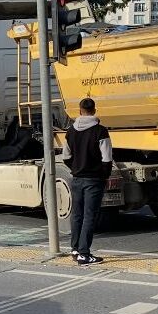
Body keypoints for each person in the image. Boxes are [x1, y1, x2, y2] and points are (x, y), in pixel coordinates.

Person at [63, 98, 112, 266]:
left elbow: (66, 157)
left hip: (76, 179)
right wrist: (104, 176)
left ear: (80, 110)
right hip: (94, 180)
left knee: (77, 215)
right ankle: (85, 254)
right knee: (90, 216)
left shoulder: (70, 132)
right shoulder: (101, 131)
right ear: (95, 110)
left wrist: (76, 168)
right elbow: (107, 158)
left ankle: (75, 249)